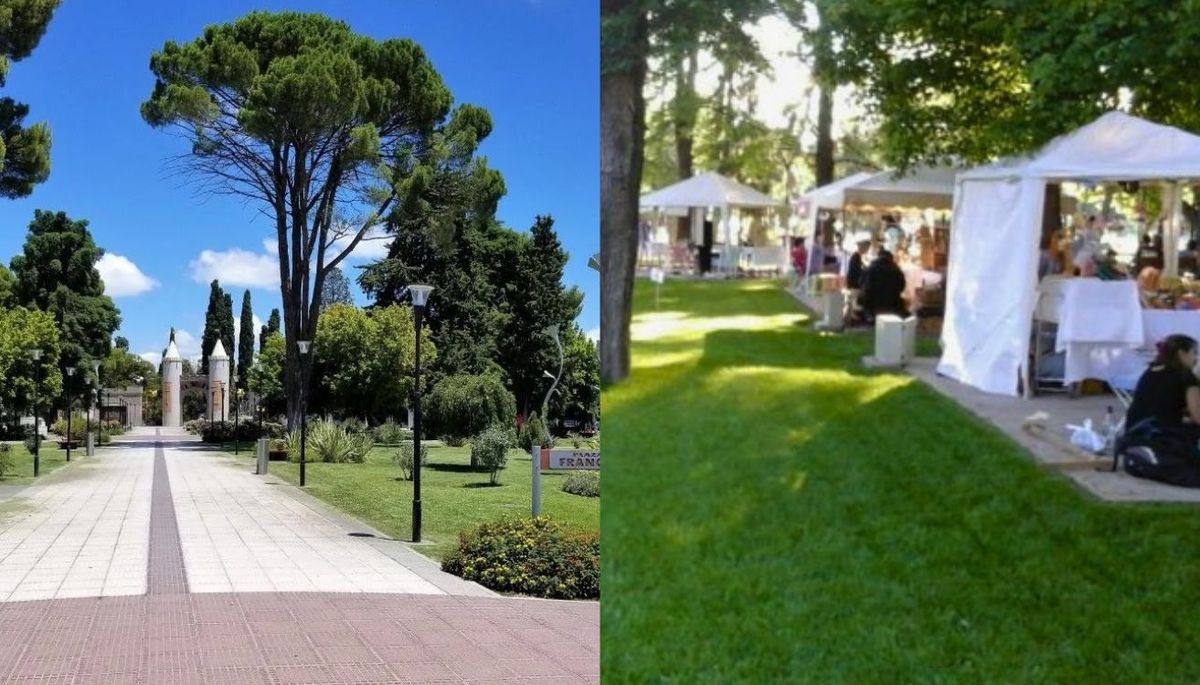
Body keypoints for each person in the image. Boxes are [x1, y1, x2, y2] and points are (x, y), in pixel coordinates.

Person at [1120, 335, 1200, 487]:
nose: (1195, 358)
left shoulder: (1150, 372)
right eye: (1194, 353)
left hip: (1135, 432)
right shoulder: (1185, 376)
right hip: (1163, 434)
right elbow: (1198, 416)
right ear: (1182, 353)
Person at [858, 249, 908, 322]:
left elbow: (861, 283)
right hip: (892, 301)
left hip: (873, 302)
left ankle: (869, 316)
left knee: (864, 298)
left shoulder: (870, 268)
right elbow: (902, 286)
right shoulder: (896, 270)